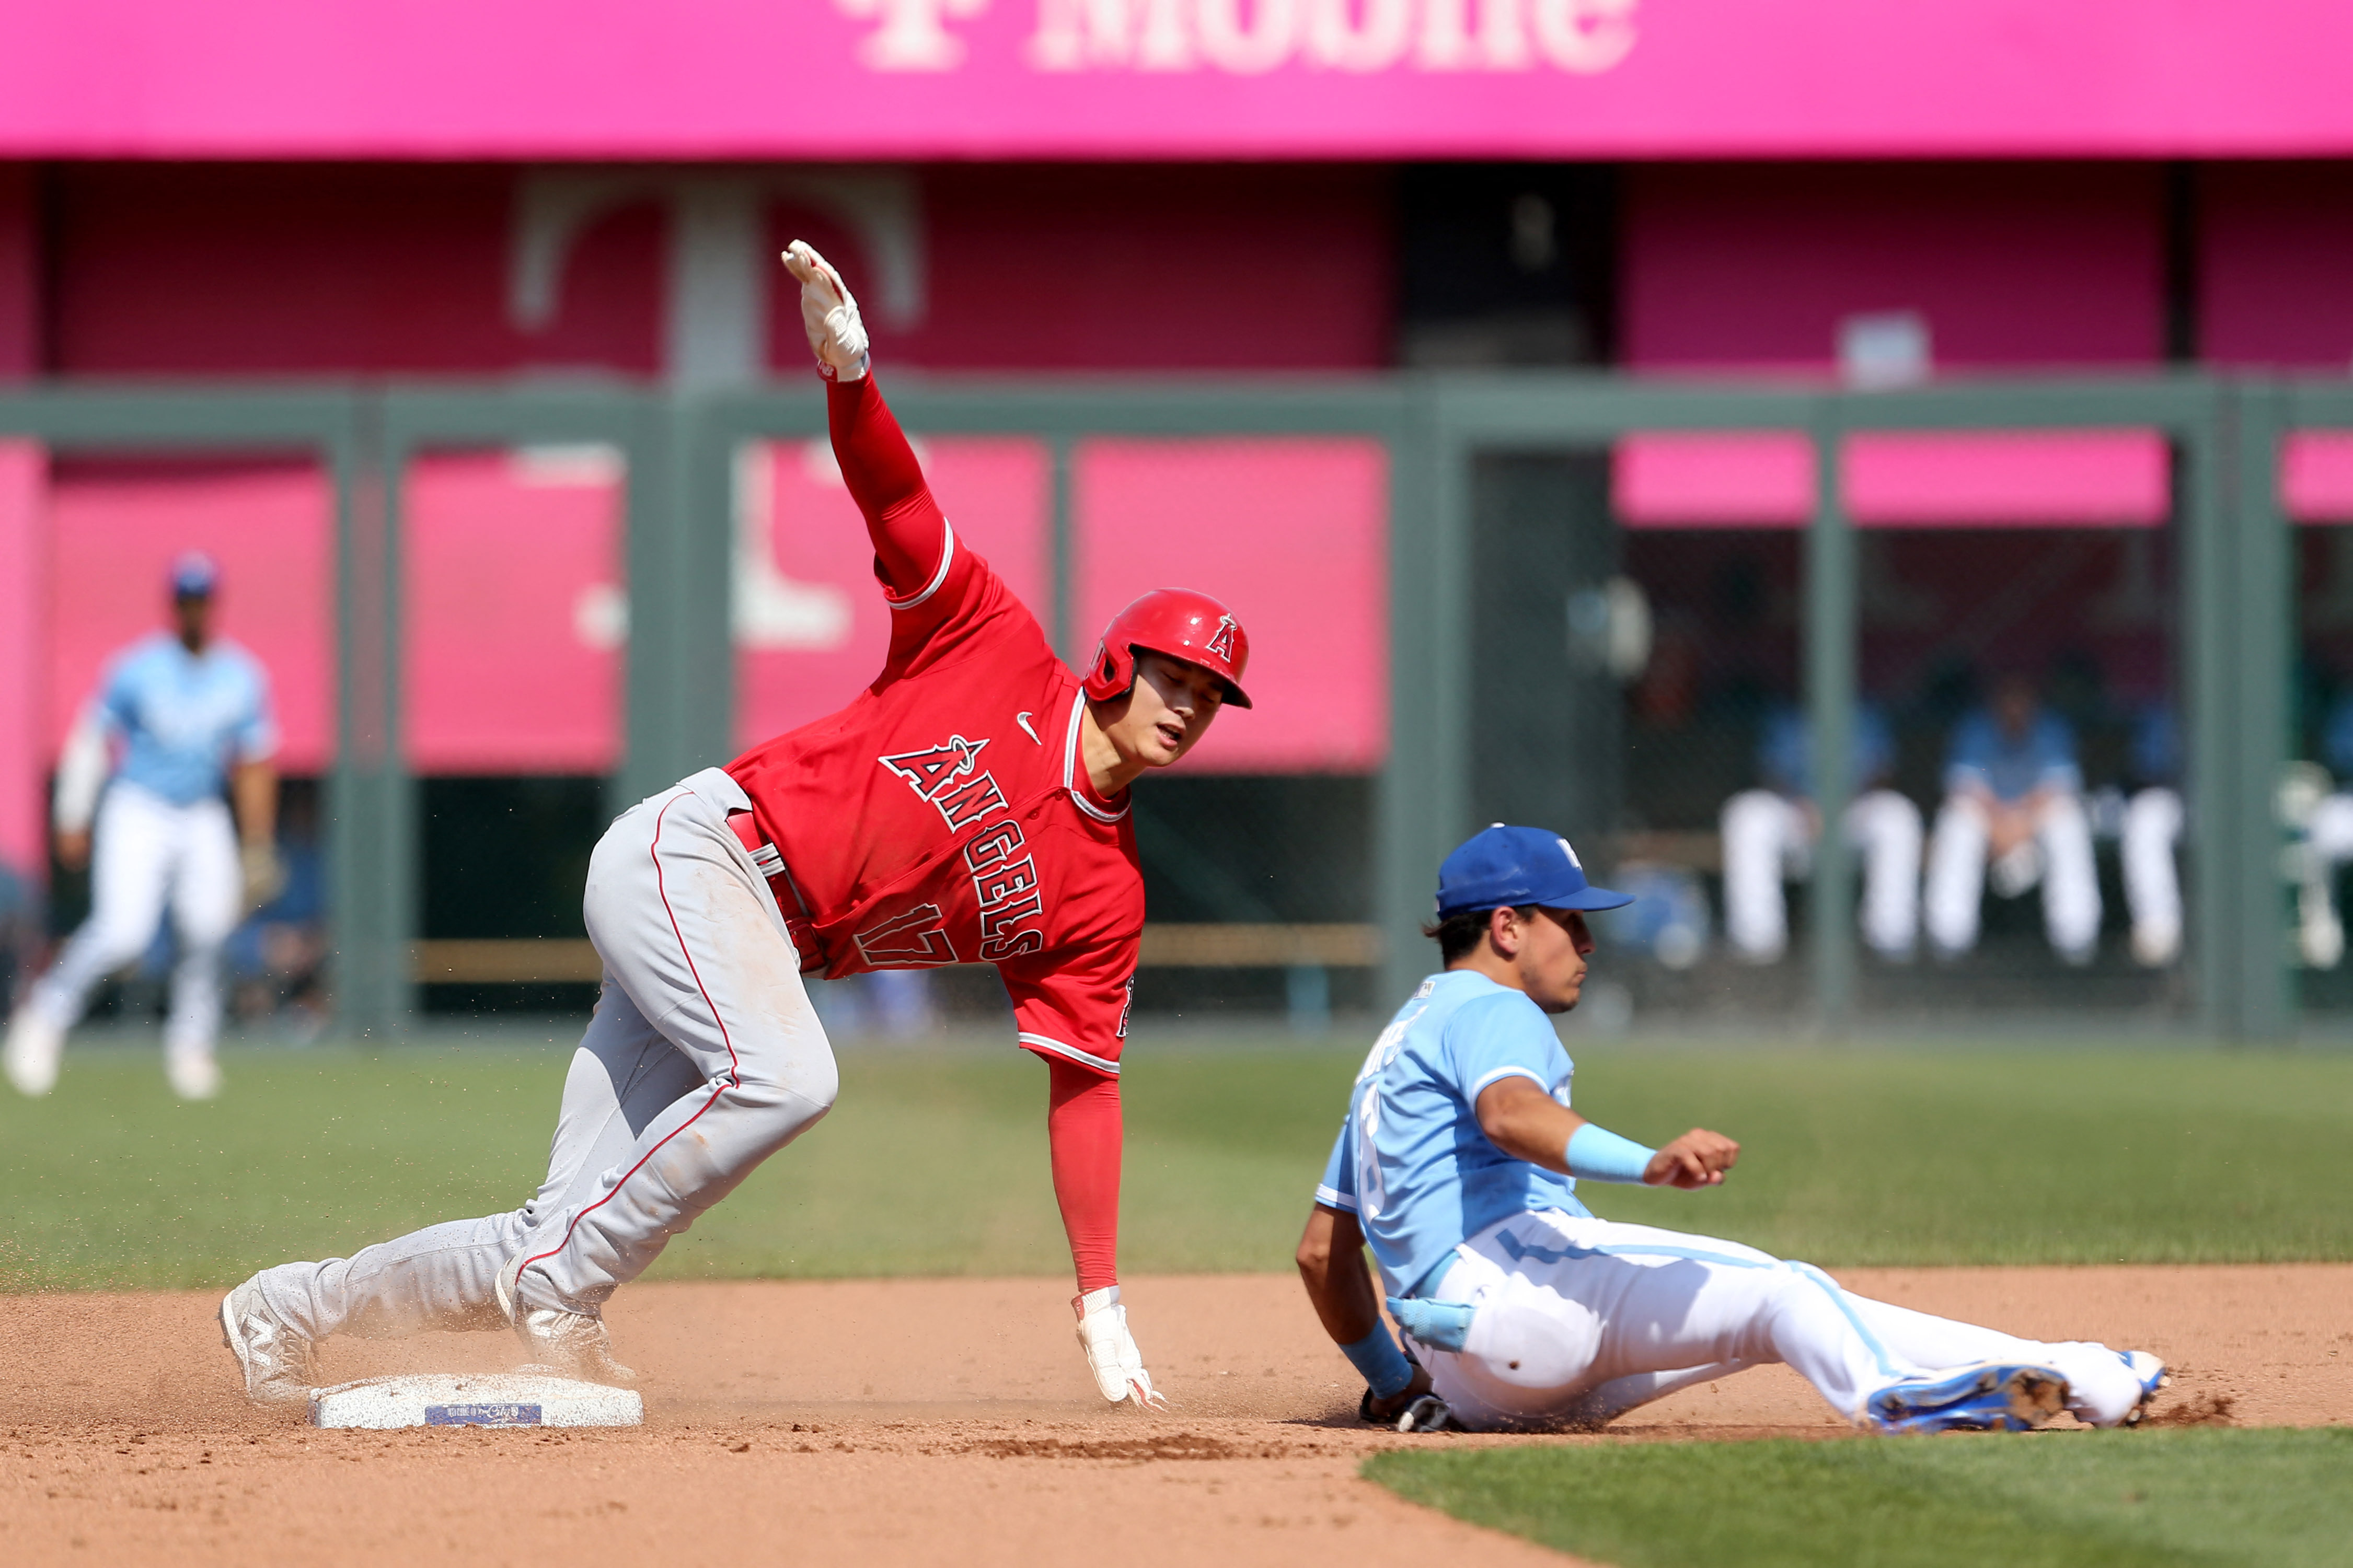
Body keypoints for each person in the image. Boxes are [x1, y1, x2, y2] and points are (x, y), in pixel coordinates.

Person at [218, 242, 1249, 1411]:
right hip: (704, 854)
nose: (1188, 708)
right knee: (789, 1075)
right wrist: (850, 381)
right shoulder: (991, 644)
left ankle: (282, 1308)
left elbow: (1086, 1088)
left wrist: (1100, 1298)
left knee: (543, 1230)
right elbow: (903, 504)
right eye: (1176, 678)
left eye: (1209, 698)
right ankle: (566, 1286)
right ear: (1120, 660)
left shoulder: (1105, 893)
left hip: (754, 942)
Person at [1295, 824, 2166, 1435]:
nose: (1587, 943)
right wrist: (1647, 1162)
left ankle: (2076, 1371)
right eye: (1571, 920)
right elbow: (1510, 1113)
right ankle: (1890, 1400)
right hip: (1521, 1289)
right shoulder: (1490, 1003)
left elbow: (1320, 1254)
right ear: (1506, 926)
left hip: (1473, 1372)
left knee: (1780, 1316)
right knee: (1788, 1292)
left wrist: (1394, 1387)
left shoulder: (1389, 1054)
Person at [4, 553, 282, 1101]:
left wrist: (256, 841)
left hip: (202, 809)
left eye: (201, 597)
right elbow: (91, 739)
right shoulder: (138, 667)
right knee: (122, 931)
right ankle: (44, 1016)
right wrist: (73, 812)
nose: (194, 608)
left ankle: (191, 1045)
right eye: (185, 597)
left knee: (208, 928)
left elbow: (255, 762)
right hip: (140, 805)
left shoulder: (240, 674)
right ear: (173, 603)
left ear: (214, 602)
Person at [1719, 702, 1920, 964]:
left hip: (1853, 811)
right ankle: (1756, 942)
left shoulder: (1868, 715)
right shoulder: (1784, 717)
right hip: (1795, 812)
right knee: (1747, 814)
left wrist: (1837, 807)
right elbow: (1768, 772)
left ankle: (1891, 940)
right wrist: (1805, 805)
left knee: (1897, 815)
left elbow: (1882, 773)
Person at [1922, 672, 2101, 965]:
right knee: (1958, 823)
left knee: (2068, 821)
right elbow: (1964, 787)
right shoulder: (1976, 727)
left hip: (2033, 821)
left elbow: (2059, 788)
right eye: (2008, 698)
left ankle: (2076, 940)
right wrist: (2001, 826)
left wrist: (2020, 826)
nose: (2015, 706)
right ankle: (1949, 940)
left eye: (2022, 699)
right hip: (1989, 819)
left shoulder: (2052, 728)